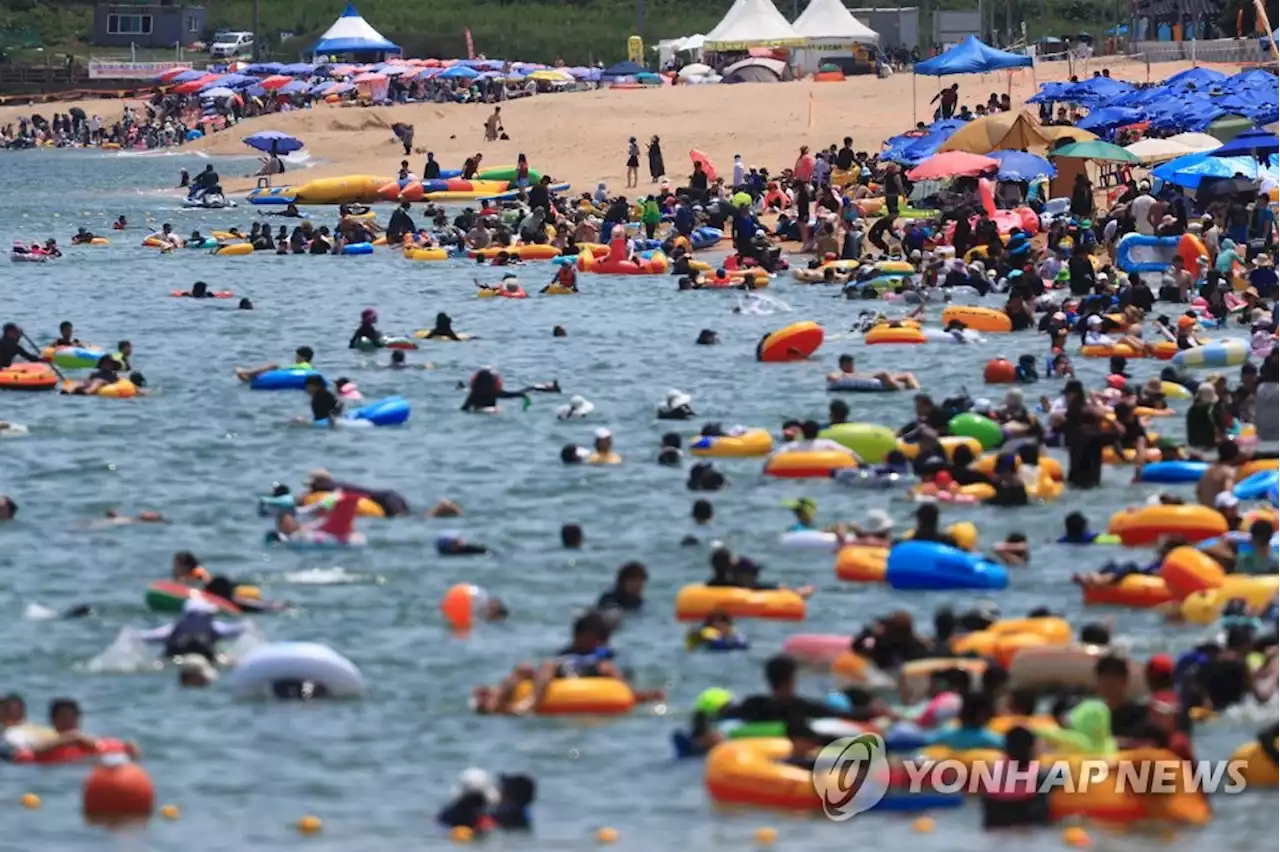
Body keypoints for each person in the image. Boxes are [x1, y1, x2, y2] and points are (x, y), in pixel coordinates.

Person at [135, 595, 247, 662]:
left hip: (188, 657)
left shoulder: (175, 627)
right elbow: (237, 631)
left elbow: (146, 637)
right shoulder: (214, 625)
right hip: (192, 657)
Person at [305, 469, 410, 517]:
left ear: (320, 482)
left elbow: (331, 497)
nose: (310, 488)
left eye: (312, 485)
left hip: (385, 499)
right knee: (411, 515)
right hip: (388, 496)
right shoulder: (335, 484)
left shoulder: (329, 486)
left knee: (404, 518)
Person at [827, 353, 919, 390]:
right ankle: (904, 390)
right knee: (884, 374)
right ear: (841, 366)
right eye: (848, 364)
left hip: (873, 377)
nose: (851, 366)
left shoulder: (852, 373)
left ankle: (916, 390)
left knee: (907, 375)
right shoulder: (841, 374)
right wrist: (841, 375)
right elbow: (831, 377)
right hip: (876, 377)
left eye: (851, 364)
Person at [234, 346, 315, 384]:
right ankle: (250, 376)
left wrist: (280, 368)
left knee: (274, 365)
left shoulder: (304, 365)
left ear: (303, 357)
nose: (296, 358)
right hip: (294, 376)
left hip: (291, 375)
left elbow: (289, 369)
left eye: (297, 356)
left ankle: (248, 373)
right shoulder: (308, 366)